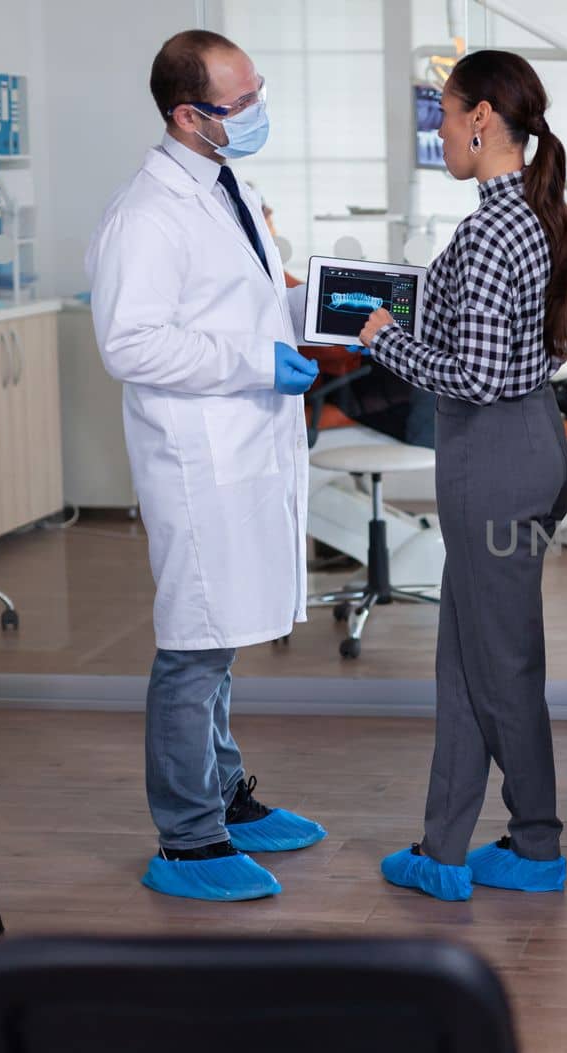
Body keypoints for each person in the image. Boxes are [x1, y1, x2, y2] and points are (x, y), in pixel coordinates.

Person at [86, 30, 327, 902]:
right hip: (197, 459)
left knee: (219, 639)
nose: (259, 111)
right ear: (189, 115)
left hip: (246, 443)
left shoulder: (227, 184)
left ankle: (226, 793)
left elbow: (248, 298)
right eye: (243, 101)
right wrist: (255, 362)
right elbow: (130, 341)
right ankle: (187, 839)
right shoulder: (145, 214)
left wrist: (325, 306)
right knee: (193, 644)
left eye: (259, 90)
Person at [356, 50, 567, 902]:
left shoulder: (490, 229)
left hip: (493, 452)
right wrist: (410, 302)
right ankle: (446, 848)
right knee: (468, 658)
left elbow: (480, 376)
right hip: (528, 444)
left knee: (500, 664)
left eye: (445, 116)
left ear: (482, 117)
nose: (440, 131)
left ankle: (534, 848)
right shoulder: (530, 211)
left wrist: (383, 337)